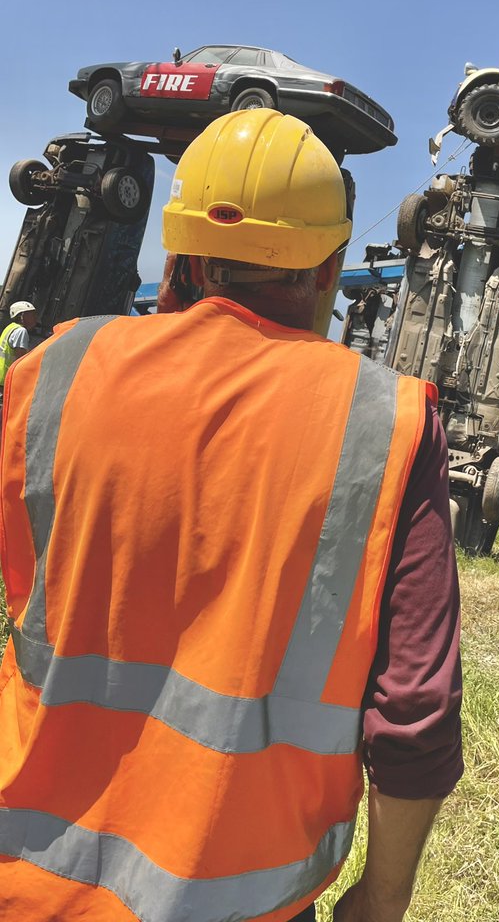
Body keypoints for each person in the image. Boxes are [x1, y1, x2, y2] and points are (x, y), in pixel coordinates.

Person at [0, 110, 463, 922]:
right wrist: (383, 900)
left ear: (176, 255)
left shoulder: (55, 370)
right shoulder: (385, 424)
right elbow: (415, 714)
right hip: (235, 898)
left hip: (23, 872)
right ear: (328, 270)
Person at [0, 300, 38, 394]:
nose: (35, 318)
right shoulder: (21, 331)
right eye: (31, 315)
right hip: (7, 379)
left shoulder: (10, 327)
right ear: (21, 316)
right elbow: (20, 358)